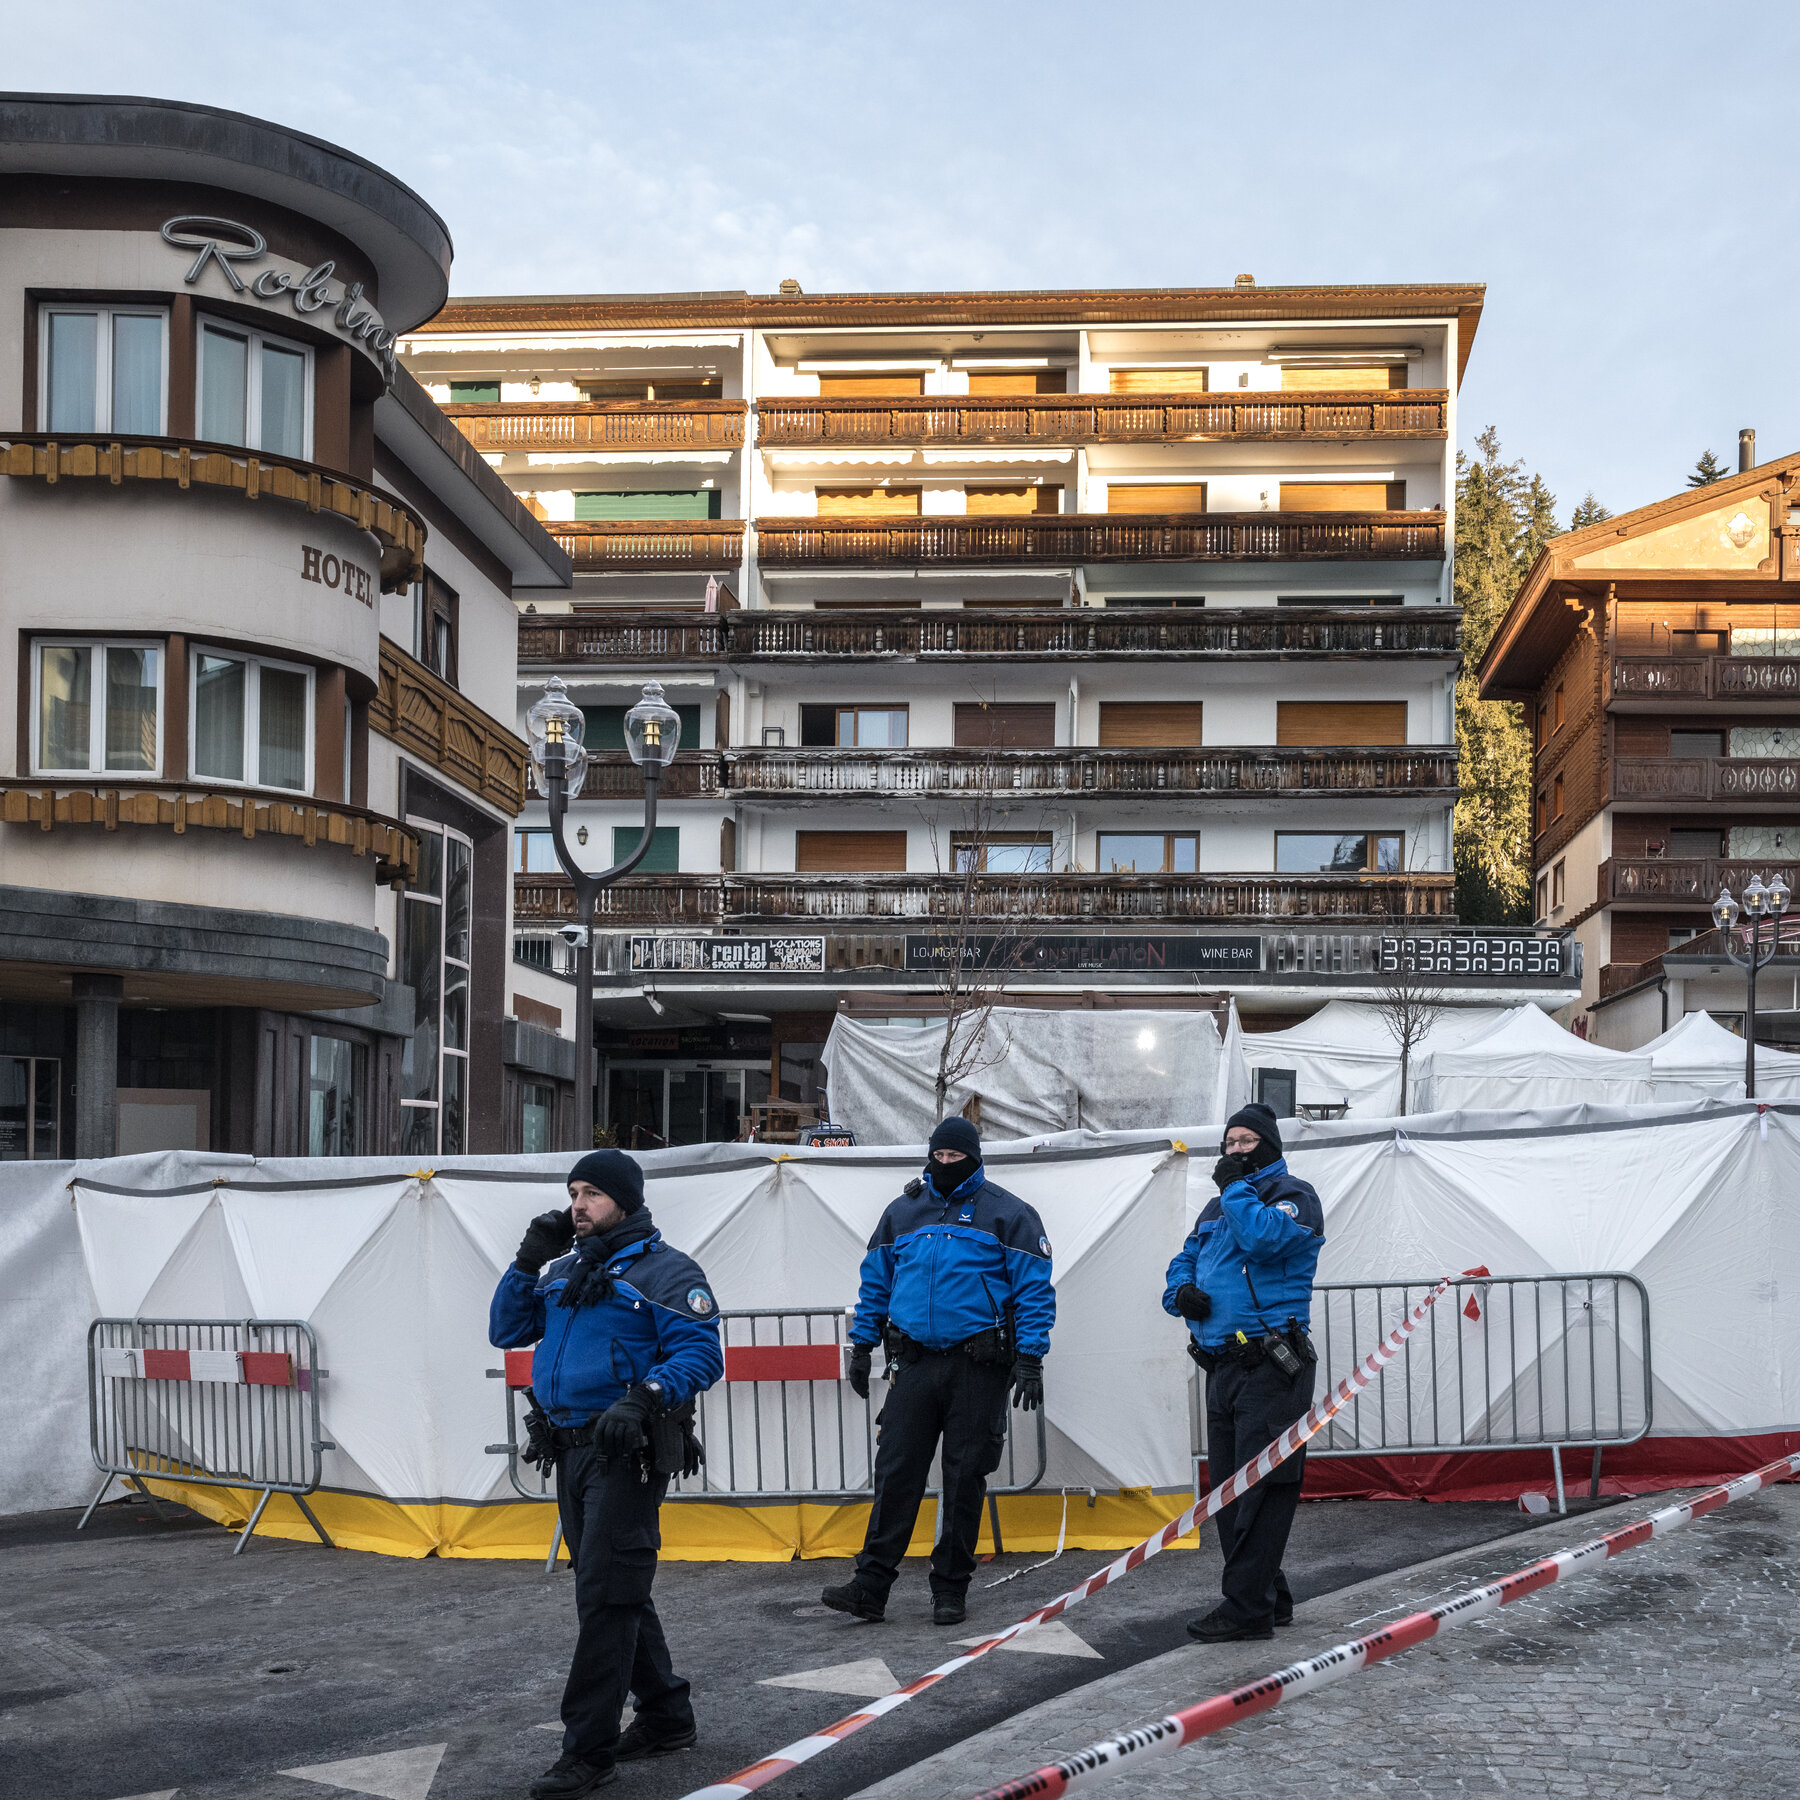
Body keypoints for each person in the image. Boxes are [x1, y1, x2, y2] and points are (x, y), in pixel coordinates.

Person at [491, 1149, 723, 1798]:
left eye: (592, 1193)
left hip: (628, 1451)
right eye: (573, 1193)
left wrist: (645, 1396)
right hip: (569, 1449)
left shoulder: (667, 1270)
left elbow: (702, 1353)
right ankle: (667, 1716)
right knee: (615, 1587)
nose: (578, 1205)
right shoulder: (565, 1269)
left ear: (624, 1200)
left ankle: (587, 1752)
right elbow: (506, 1330)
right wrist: (526, 1263)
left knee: (604, 1595)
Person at [820, 1117, 1055, 1627]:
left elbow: (1034, 1290)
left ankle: (950, 1588)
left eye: (955, 1156)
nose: (945, 1164)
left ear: (974, 1157)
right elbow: (875, 1284)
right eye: (939, 1156)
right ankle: (870, 1585)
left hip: (978, 1366)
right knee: (896, 1472)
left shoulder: (1008, 1213)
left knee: (964, 1477)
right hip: (915, 1364)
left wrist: (1031, 1357)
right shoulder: (902, 1212)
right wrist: (862, 1345)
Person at [1163, 1101, 1324, 1644]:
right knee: (1231, 1489)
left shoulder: (1293, 1196)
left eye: (1246, 1142)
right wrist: (1181, 1292)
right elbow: (1184, 1258)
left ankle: (1247, 1608)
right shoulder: (1215, 1208)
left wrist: (1235, 1186)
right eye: (1229, 1143)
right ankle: (1267, 1594)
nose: (1234, 1150)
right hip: (1223, 1364)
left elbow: (1262, 1240)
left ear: (1269, 1146)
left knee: (1265, 1486)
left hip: (1271, 1365)